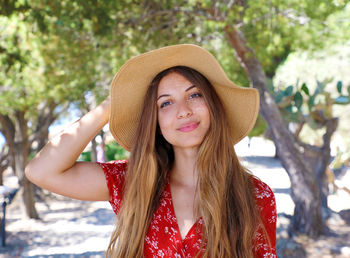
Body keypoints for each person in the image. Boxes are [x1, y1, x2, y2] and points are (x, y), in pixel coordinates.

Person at [25, 44, 277, 257]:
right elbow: (41, 171)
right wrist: (112, 104)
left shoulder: (255, 196)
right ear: (154, 121)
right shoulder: (134, 182)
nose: (183, 110)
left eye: (195, 95)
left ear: (213, 105)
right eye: (165, 103)